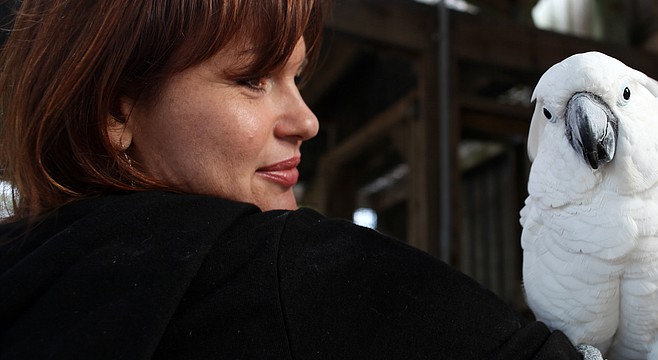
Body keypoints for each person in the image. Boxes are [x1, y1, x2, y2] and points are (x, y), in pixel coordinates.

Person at [0, 0, 583, 359]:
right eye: (252, 78)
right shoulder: (291, 268)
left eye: (296, 77)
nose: (306, 120)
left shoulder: (27, 268)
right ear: (116, 113)